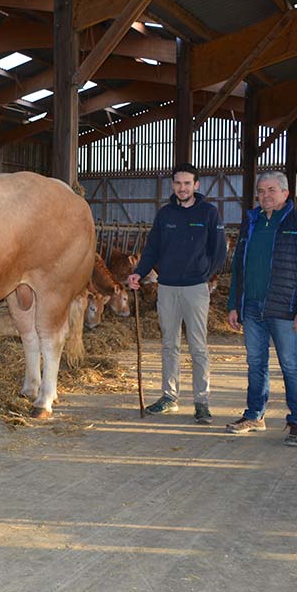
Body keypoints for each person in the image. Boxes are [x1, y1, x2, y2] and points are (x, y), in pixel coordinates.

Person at [225, 171, 297, 446]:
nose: (265, 195)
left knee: (290, 365)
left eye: (271, 190)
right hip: (253, 307)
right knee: (256, 363)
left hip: (285, 308)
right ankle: (255, 415)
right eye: (261, 191)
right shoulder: (252, 222)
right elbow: (238, 268)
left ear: (285, 193)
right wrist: (234, 303)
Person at [127, 163, 227, 423]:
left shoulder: (208, 213)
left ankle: (201, 402)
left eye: (187, 183)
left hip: (195, 288)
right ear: (173, 185)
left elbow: (219, 251)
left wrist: (205, 275)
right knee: (169, 344)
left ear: (196, 185)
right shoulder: (165, 214)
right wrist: (139, 271)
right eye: (178, 183)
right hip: (167, 287)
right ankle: (169, 397)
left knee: (198, 347)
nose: (182, 188)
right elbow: (152, 248)